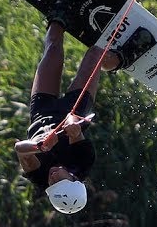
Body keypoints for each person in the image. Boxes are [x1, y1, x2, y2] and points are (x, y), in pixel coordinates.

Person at [15, 17, 123, 214]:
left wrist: (39, 145)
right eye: (59, 180)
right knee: (95, 55)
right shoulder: (83, 161)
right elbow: (74, 129)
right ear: (73, 178)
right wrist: (73, 125)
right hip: (75, 109)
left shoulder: (40, 177)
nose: (52, 177)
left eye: (52, 184)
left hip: (41, 111)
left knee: (53, 50)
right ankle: (120, 58)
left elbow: (20, 150)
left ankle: (59, 14)